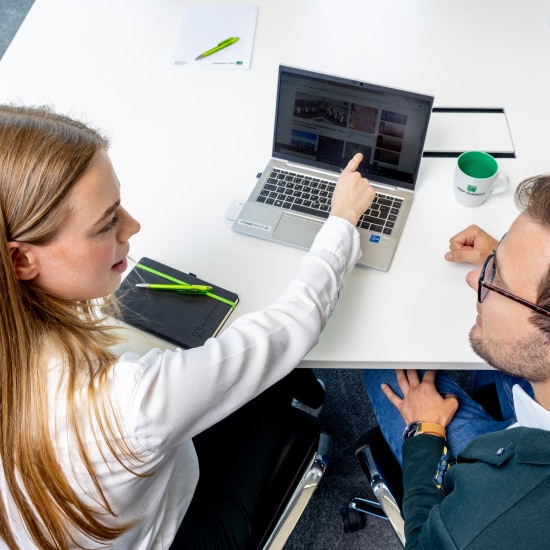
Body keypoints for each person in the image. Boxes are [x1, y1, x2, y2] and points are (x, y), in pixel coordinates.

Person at [0, 104, 375, 549]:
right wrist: (342, 221)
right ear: (21, 258)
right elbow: (293, 327)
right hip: (183, 532)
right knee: (274, 383)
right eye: (106, 224)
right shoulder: (127, 402)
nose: (133, 226)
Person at [363, 174, 550, 548]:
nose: (473, 279)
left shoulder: (476, 530)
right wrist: (520, 264)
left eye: (497, 281)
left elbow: (422, 539)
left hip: (500, 486)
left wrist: (425, 432)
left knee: (381, 358)